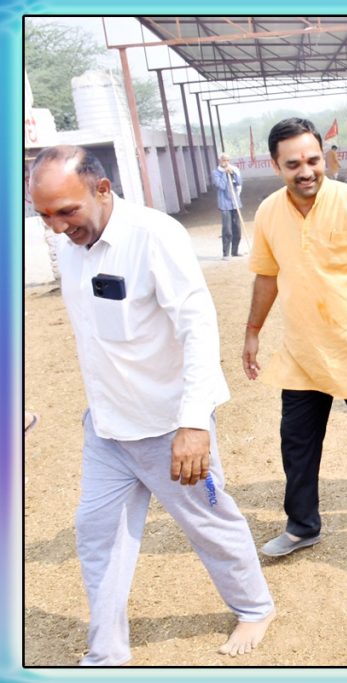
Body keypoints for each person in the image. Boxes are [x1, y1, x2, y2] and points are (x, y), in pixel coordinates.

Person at [29, 145, 275, 665]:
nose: (56, 227)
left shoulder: (154, 236)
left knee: (210, 522)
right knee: (97, 535)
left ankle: (254, 607)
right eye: (45, 215)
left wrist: (194, 424)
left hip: (170, 428)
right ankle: (106, 654)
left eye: (65, 211)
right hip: (107, 429)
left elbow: (197, 328)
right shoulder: (71, 247)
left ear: (102, 189)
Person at [243, 118, 347, 553]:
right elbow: (266, 276)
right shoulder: (268, 213)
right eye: (293, 164)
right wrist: (252, 331)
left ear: (324, 157)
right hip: (302, 350)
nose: (306, 171)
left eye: (313, 160)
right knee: (296, 442)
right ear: (275, 166)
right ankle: (302, 525)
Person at [212, 153, 243, 260]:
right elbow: (221, 186)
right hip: (224, 205)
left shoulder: (233, 170)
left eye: (228, 160)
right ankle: (226, 253)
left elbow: (239, 182)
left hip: (235, 203)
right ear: (220, 161)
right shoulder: (216, 173)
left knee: (237, 230)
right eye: (224, 160)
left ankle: (235, 251)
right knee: (227, 230)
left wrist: (232, 173)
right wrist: (225, 174)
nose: (226, 162)